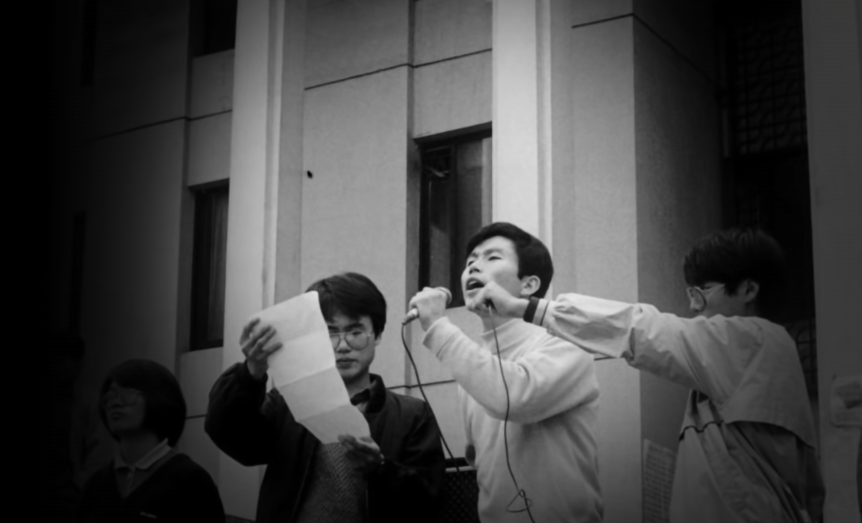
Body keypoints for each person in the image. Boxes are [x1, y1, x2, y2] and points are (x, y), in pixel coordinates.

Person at [471, 227, 825, 523]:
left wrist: (526, 308)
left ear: (748, 290)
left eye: (700, 293)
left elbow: (639, 329)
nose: (693, 306)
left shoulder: (754, 342)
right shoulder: (748, 364)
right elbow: (812, 492)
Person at [205, 272, 446, 523]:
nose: (342, 345)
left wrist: (380, 469)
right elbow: (231, 437)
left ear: (377, 335)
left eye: (355, 332)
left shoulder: (411, 414)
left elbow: (430, 501)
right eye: (329, 333)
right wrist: (250, 373)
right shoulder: (288, 403)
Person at [409, 222, 603, 523]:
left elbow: (512, 397)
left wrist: (437, 327)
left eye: (492, 258)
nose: (473, 268)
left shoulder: (567, 342)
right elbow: (477, 459)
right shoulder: (472, 367)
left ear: (529, 285)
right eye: (470, 261)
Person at [76, 359, 225, 523]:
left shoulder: (191, 481)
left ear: (157, 398)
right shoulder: (96, 484)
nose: (115, 403)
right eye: (109, 397)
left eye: (127, 394)